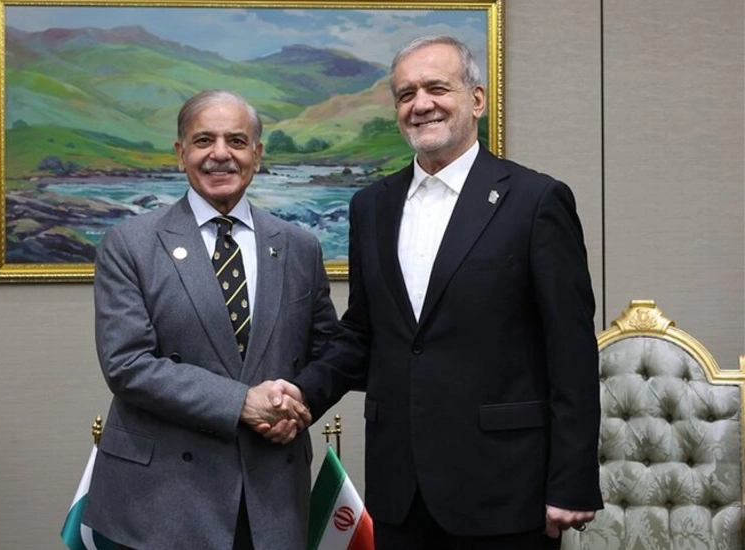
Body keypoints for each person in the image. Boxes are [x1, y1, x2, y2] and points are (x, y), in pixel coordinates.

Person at [286, 35, 603, 549]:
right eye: (406, 94)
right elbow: (362, 333)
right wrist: (301, 394)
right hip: (399, 491)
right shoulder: (371, 206)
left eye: (437, 88)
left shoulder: (535, 200)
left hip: (505, 489)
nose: (421, 104)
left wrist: (572, 480)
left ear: (476, 100)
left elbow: (571, 352)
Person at [83, 90, 337, 550]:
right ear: (181, 153)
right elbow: (127, 363)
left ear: (257, 154)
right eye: (204, 140)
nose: (221, 154)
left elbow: (327, 352)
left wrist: (297, 406)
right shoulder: (129, 244)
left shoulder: (299, 245)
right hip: (162, 501)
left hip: (272, 494)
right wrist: (241, 403)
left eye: (236, 141)